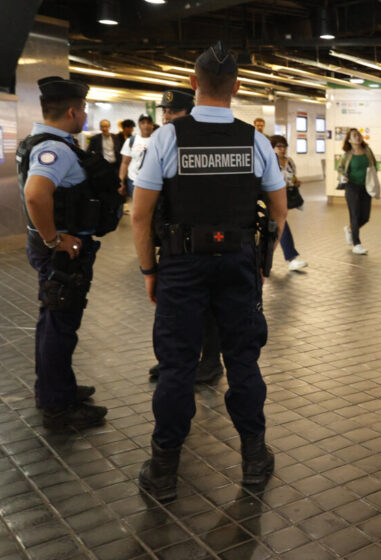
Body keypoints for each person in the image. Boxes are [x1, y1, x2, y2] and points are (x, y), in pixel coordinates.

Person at [132, 42, 286, 501]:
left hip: (181, 263)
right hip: (238, 262)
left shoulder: (166, 138)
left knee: (178, 365)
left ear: (193, 85)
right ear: (236, 88)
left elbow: (141, 216)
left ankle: (163, 471)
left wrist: (149, 270)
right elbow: (277, 211)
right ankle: (254, 459)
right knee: (243, 360)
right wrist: (260, 263)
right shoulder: (255, 140)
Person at [17, 77, 122, 429]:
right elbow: (35, 194)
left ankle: (53, 388)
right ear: (74, 111)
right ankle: (58, 408)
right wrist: (53, 239)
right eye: (85, 109)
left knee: (52, 321)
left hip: (57, 251)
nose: (86, 115)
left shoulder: (40, 142)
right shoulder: (56, 149)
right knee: (61, 326)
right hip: (63, 254)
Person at [145, 89, 225, 385]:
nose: (166, 116)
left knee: (207, 308)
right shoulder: (164, 140)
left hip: (207, 240)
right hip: (174, 240)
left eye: (172, 111)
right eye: (164, 111)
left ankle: (210, 361)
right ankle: (176, 360)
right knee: (177, 309)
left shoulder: (202, 140)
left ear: (189, 112)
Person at [270, 135, 308, 271]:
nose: (282, 149)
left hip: (285, 196)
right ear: (272, 148)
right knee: (282, 225)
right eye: (278, 146)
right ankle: (292, 257)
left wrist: (296, 182)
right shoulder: (269, 161)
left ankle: (262, 259)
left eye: (284, 146)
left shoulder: (289, 161)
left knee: (274, 229)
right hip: (271, 197)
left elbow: (292, 177)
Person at [337, 128, 377, 255]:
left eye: (359, 135)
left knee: (365, 217)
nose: (358, 137)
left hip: (366, 187)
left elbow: (374, 165)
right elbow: (340, 169)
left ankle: (349, 230)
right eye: (354, 136)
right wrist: (342, 176)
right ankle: (357, 244)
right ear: (349, 140)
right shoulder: (347, 155)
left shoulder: (368, 151)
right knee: (354, 215)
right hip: (351, 187)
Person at [119, 114, 154, 199]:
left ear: (152, 125)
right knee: (137, 207)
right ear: (139, 125)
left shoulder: (157, 140)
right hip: (134, 181)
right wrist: (121, 182)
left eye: (149, 123)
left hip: (152, 181)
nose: (146, 125)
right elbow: (125, 163)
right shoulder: (131, 141)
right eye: (143, 123)